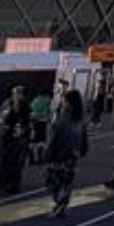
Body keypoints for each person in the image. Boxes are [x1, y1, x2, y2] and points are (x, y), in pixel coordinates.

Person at [44, 90, 88, 218]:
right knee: (66, 180)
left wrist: (48, 154)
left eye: (66, 100)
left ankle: (60, 203)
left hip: (61, 155)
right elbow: (84, 138)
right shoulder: (79, 120)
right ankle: (62, 204)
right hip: (73, 155)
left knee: (54, 179)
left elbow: (55, 138)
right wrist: (83, 149)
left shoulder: (63, 119)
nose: (64, 102)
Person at [0, 86, 31, 196]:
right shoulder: (7, 105)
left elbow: (28, 119)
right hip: (7, 138)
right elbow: (0, 120)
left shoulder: (24, 105)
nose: (19, 96)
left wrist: (28, 129)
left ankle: (14, 184)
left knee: (17, 163)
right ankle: (1, 185)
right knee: (5, 162)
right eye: (17, 93)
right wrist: (3, 127)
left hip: (19, 137)